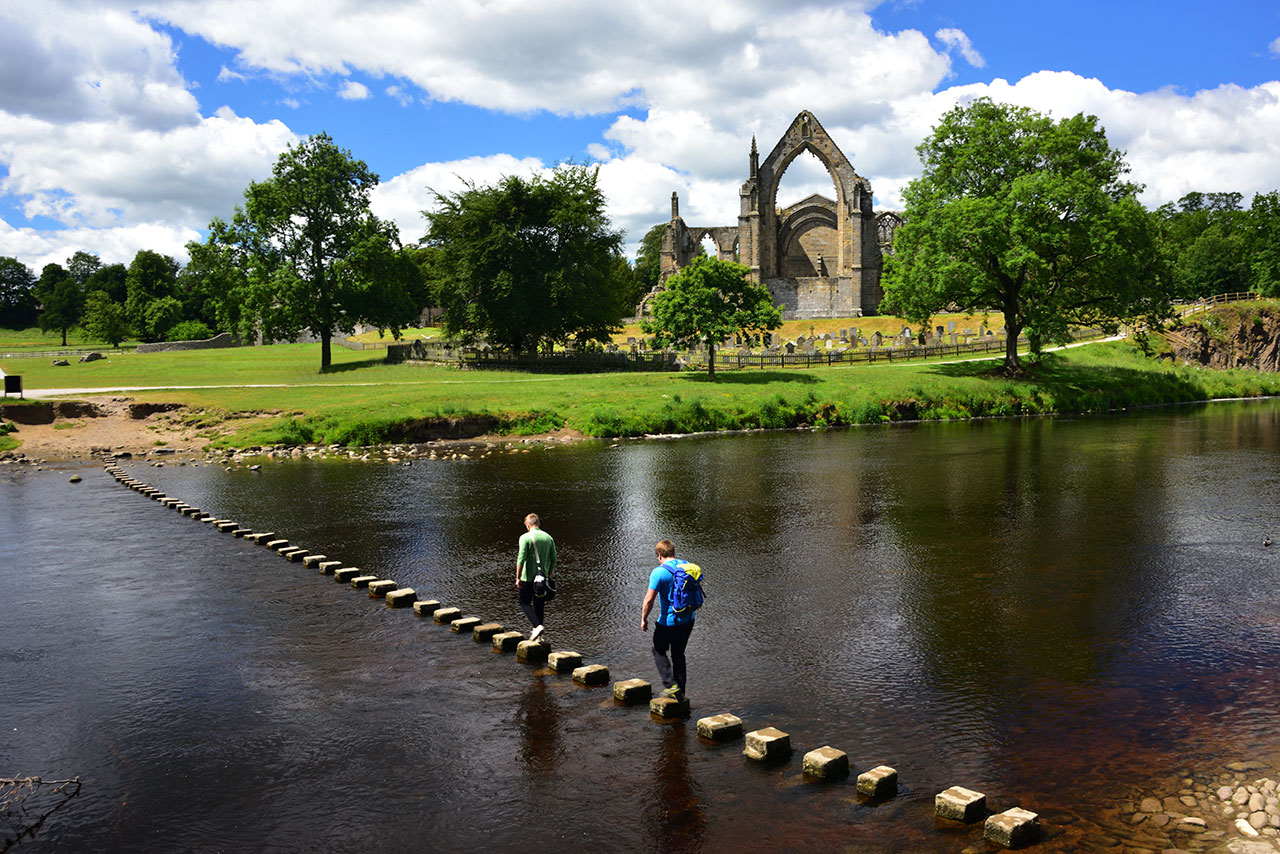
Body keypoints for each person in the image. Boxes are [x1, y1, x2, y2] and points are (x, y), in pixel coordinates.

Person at [640, 539, 694, 700]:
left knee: (658, 650)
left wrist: (644, 619)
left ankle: (671, 685)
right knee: (678, 654)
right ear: (673, 552)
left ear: (659, 555)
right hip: (688, 619)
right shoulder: (687, 566)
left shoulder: (659, 572)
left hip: (669, 622)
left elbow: (649, 600)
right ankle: (681, 693)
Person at [516, 513, 556, 642]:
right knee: (539, 605)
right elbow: (553, 558)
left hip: (527, 578)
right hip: (542, 578)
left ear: (527, 525)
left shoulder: (525, 537)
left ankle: (537, 626)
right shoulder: (548, 538)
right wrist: (548, 574)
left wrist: (517, 577)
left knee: (524, 602)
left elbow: (521, 559)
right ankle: (540, 637)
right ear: (539, 523)